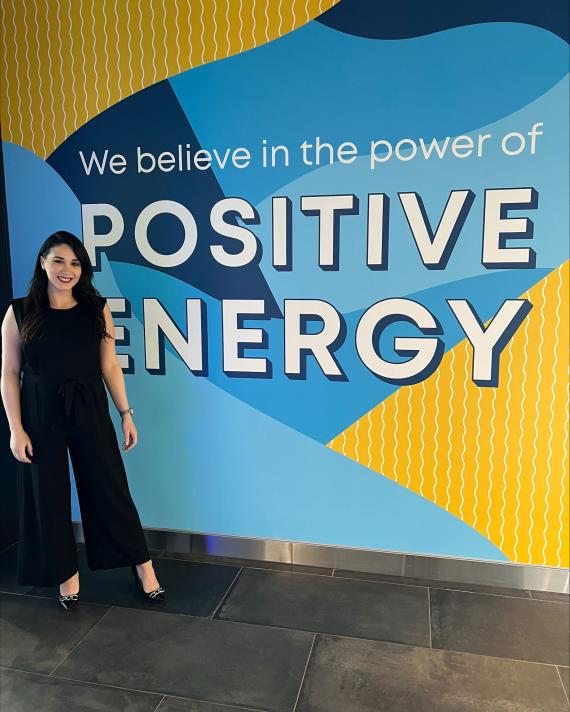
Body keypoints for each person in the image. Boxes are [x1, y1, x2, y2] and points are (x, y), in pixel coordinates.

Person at [0, 231, 166, 609]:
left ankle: (143, 568)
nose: (67, 270)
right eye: (58, 260)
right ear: (42, 262)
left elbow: (109, 363)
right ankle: (66, 573)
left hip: (88, 402)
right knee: (48, 494)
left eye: (75, 263)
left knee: (109, 486)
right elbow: (9, 372)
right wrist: (16, 428)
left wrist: (126, 413)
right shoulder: (19, 311)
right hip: (39, 408)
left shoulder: (96, 307)